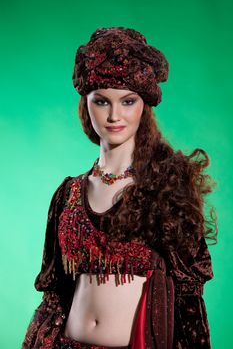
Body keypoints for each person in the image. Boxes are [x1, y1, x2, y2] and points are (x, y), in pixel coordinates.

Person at [22, 27, 218, 349]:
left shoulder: (165, 189)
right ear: (86, 103)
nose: (114, 115)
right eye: (101, 101)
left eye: (128, 101)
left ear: (145, 105)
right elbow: (54, 293)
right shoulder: (67, 195)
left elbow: (188, 300)